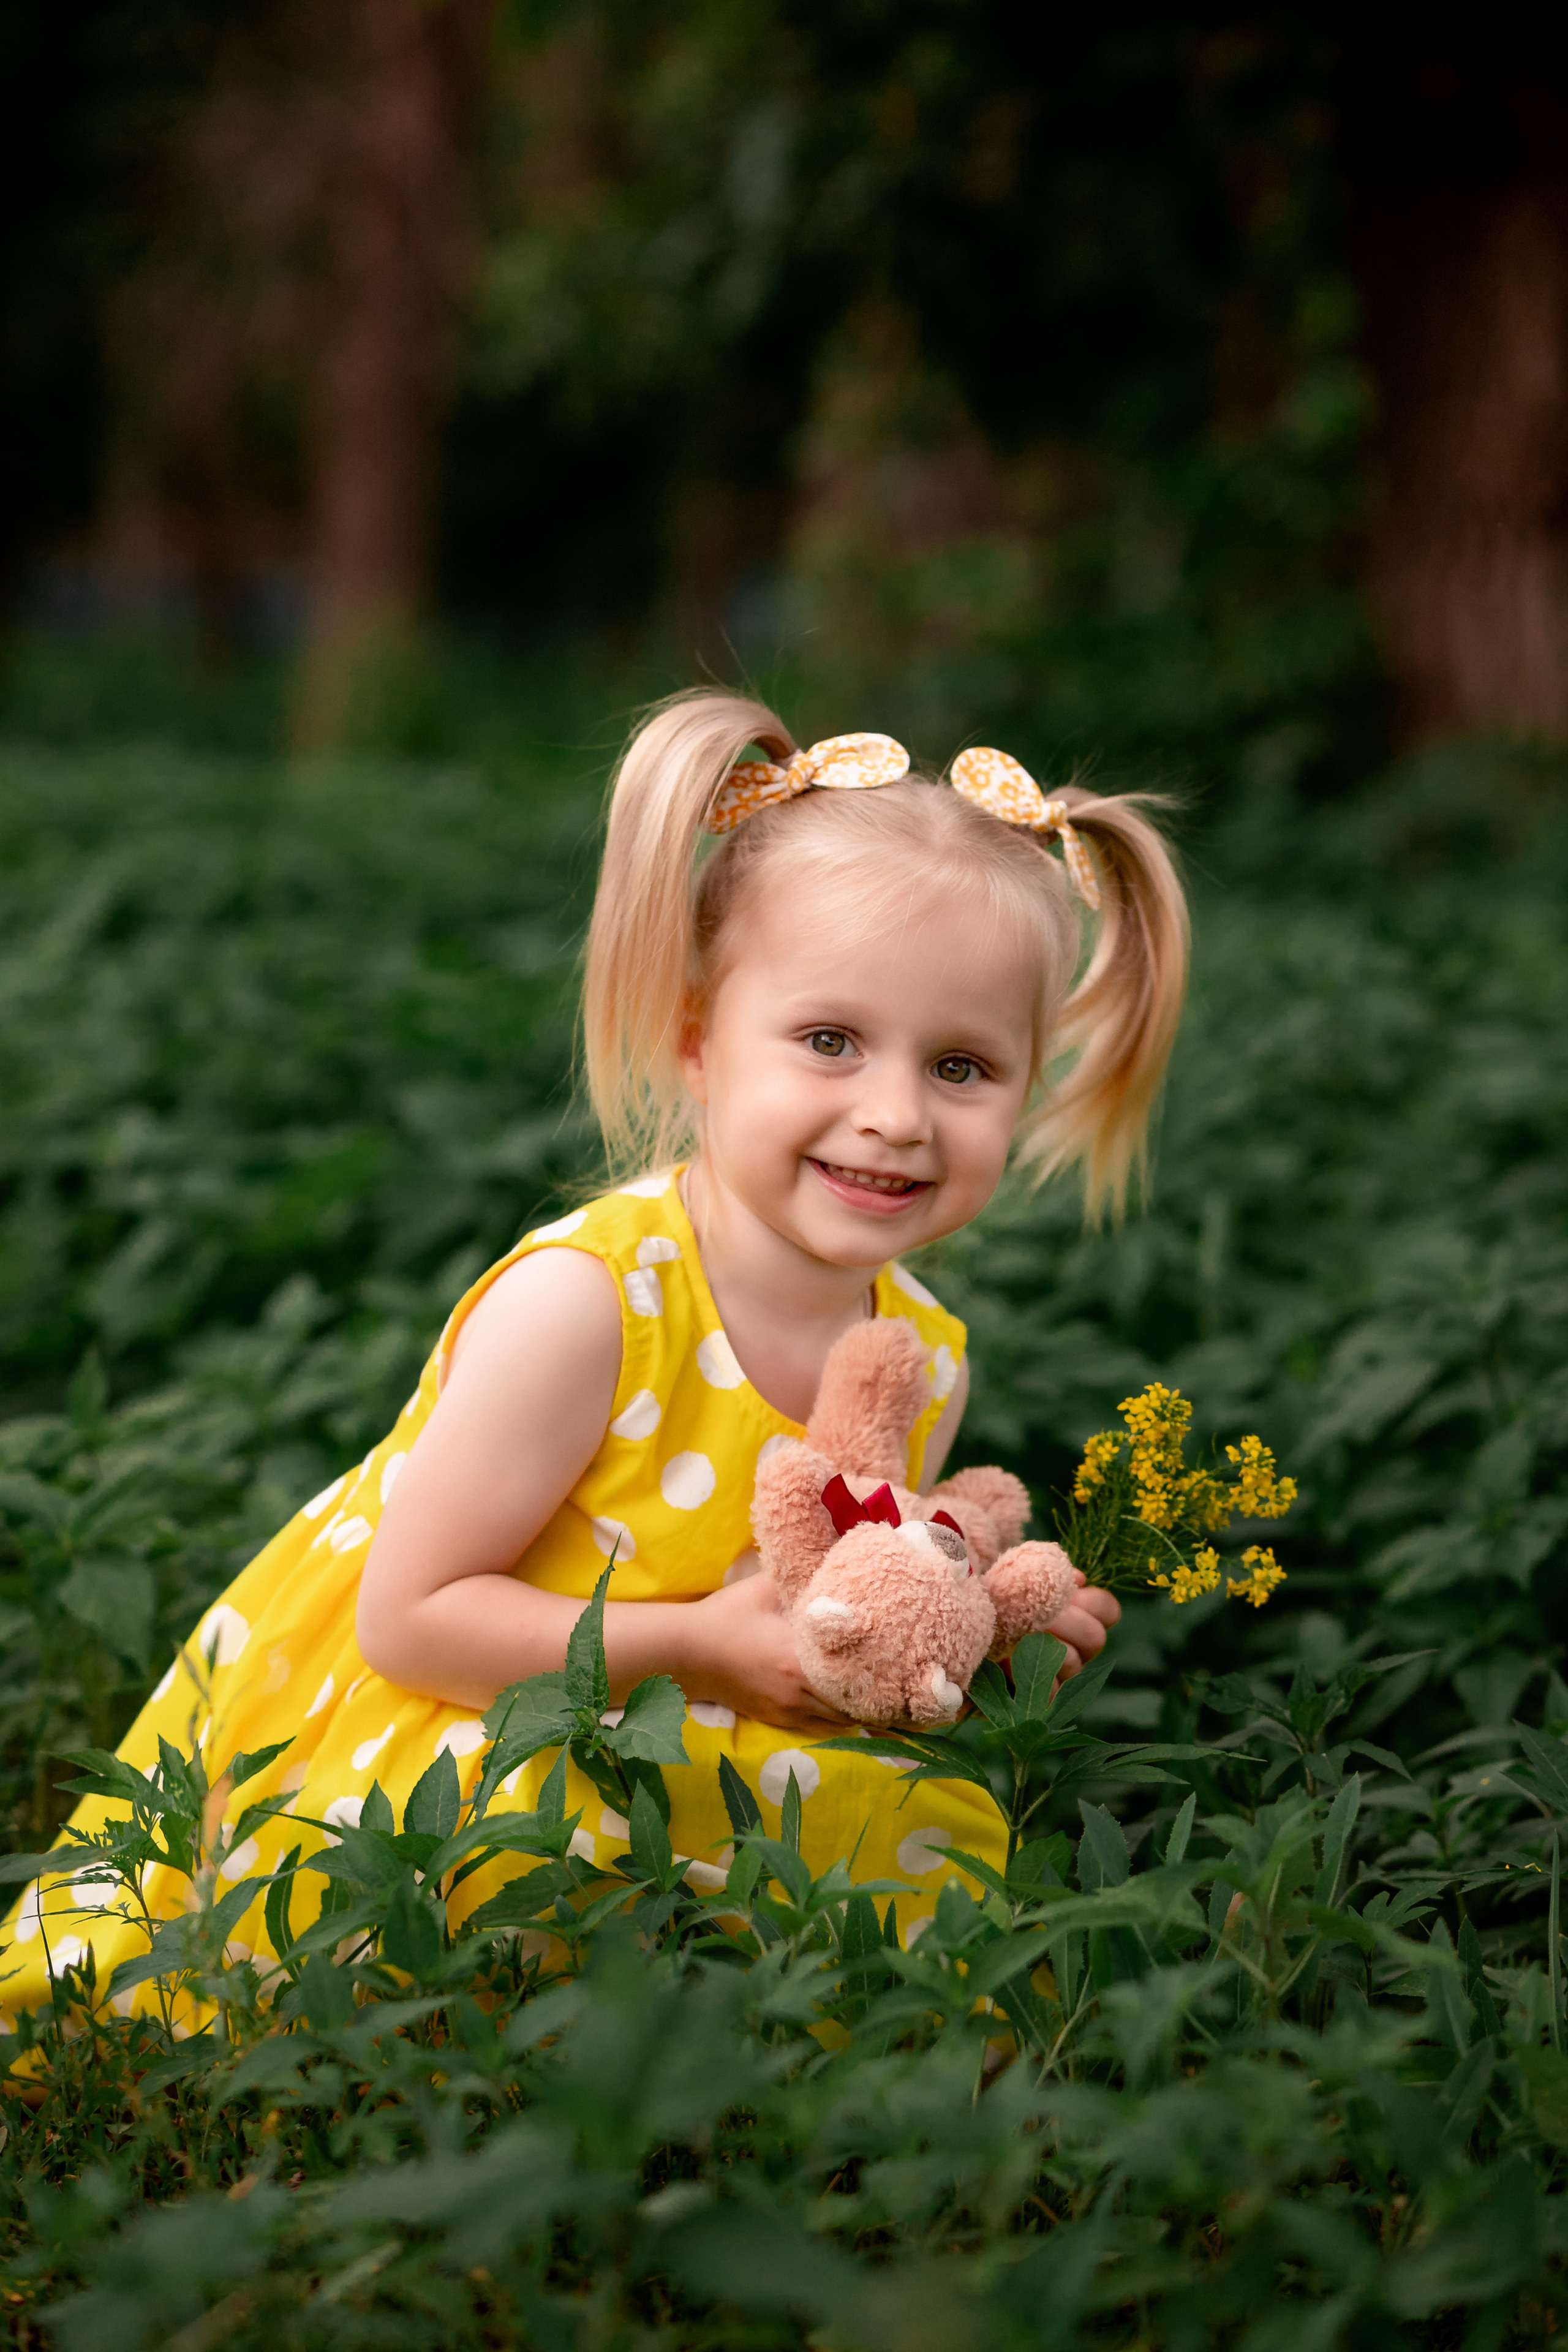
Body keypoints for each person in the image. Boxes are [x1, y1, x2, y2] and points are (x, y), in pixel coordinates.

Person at [1, 691, 1187, 2014]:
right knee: (495, 1868)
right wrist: (703, 1648)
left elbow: (814, 1613)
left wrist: (968, 1636)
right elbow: (413, 1623)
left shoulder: (921, 1354)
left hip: (678, 1723)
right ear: (694, 1038)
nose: (896, 1116)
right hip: (469, 1720)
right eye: (828, 1041)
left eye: (962, 1067)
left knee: (914, 1854)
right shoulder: (586, 1307)